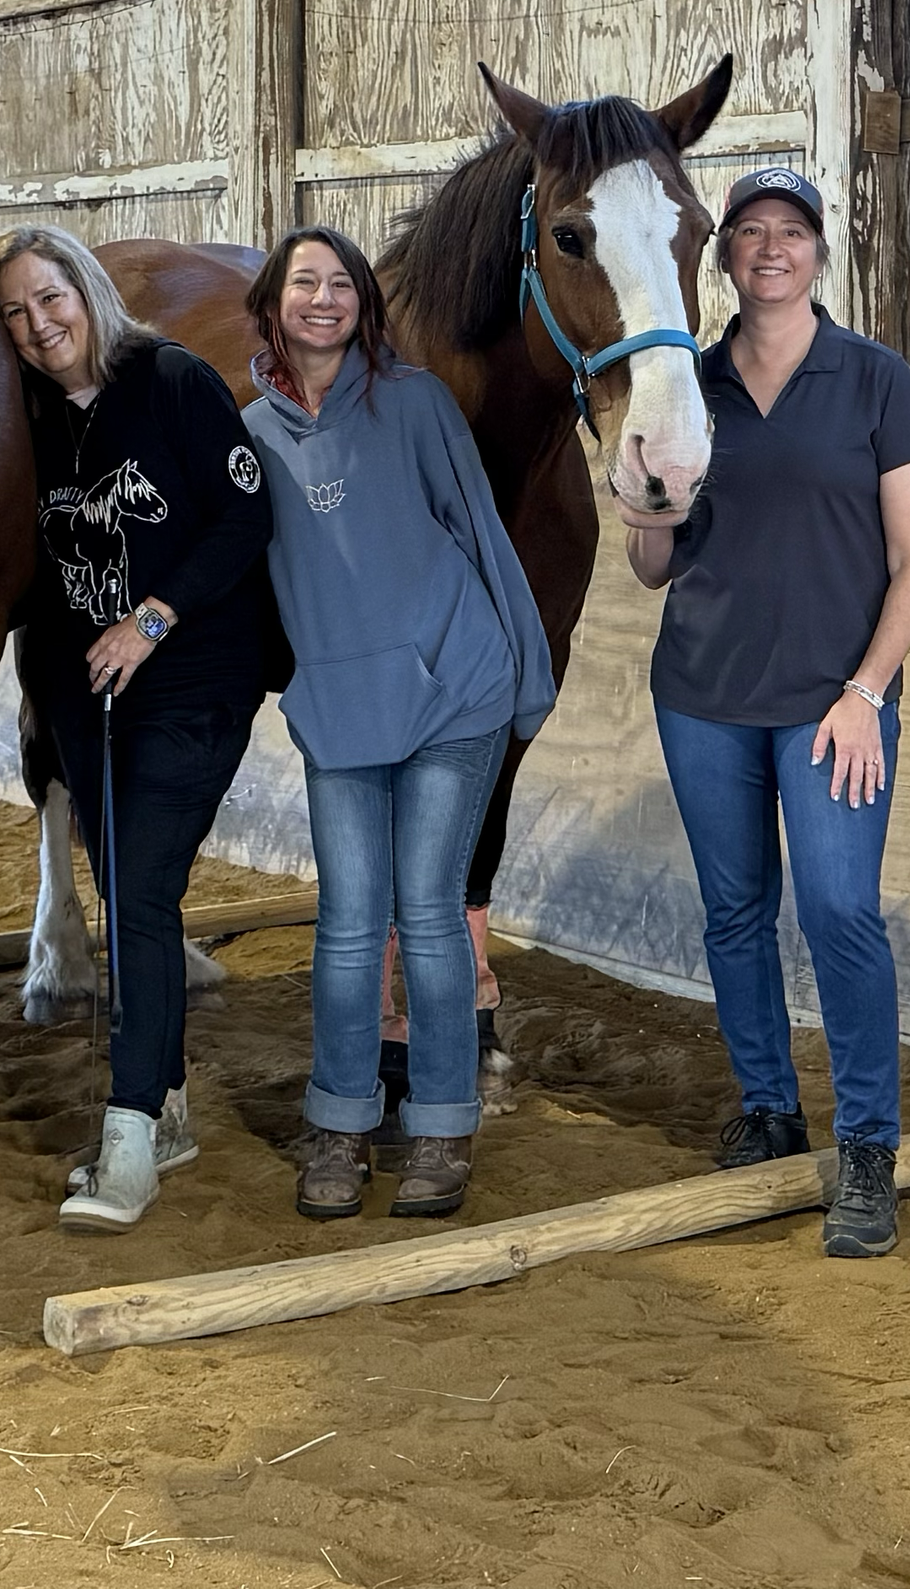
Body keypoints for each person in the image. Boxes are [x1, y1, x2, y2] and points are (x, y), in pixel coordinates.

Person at [626, 169, 910, 1259]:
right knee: (732, 912)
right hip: (702, 697)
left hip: (829, 709)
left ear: (819, 253)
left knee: (841, 914)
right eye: (749, 232)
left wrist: (865, 695)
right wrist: (640, 511)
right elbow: (652, 566)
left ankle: (866, 1147)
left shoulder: (875, 381)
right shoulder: (686, 381)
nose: (769, 247)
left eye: (791, 232)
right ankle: (768, 1106)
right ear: (722, 257)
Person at [241, 227, 554, 1223]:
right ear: (272, 304)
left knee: (426, 916)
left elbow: (479, 531)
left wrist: (522, 678)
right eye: (304, 283)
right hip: (340, 708)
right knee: (343, 927)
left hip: (452, 691)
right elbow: (225, 566)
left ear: (363, 307)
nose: (324, 299)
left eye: (342, 284)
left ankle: (441, 1129)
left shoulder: (415, 403)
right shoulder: (249, 435)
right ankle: (337, 1121)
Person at [0, 226, 276, 1233]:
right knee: (124, 889)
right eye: (14, 312)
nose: (37, 324)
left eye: (49, 297)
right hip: (82, 689)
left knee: (142, 894)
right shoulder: (21, 413)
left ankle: (131, 1138)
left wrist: (149, 620)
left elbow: (244, 520)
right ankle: (173, 1098)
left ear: (86, 289)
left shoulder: (174, 381)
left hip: (193, 674)